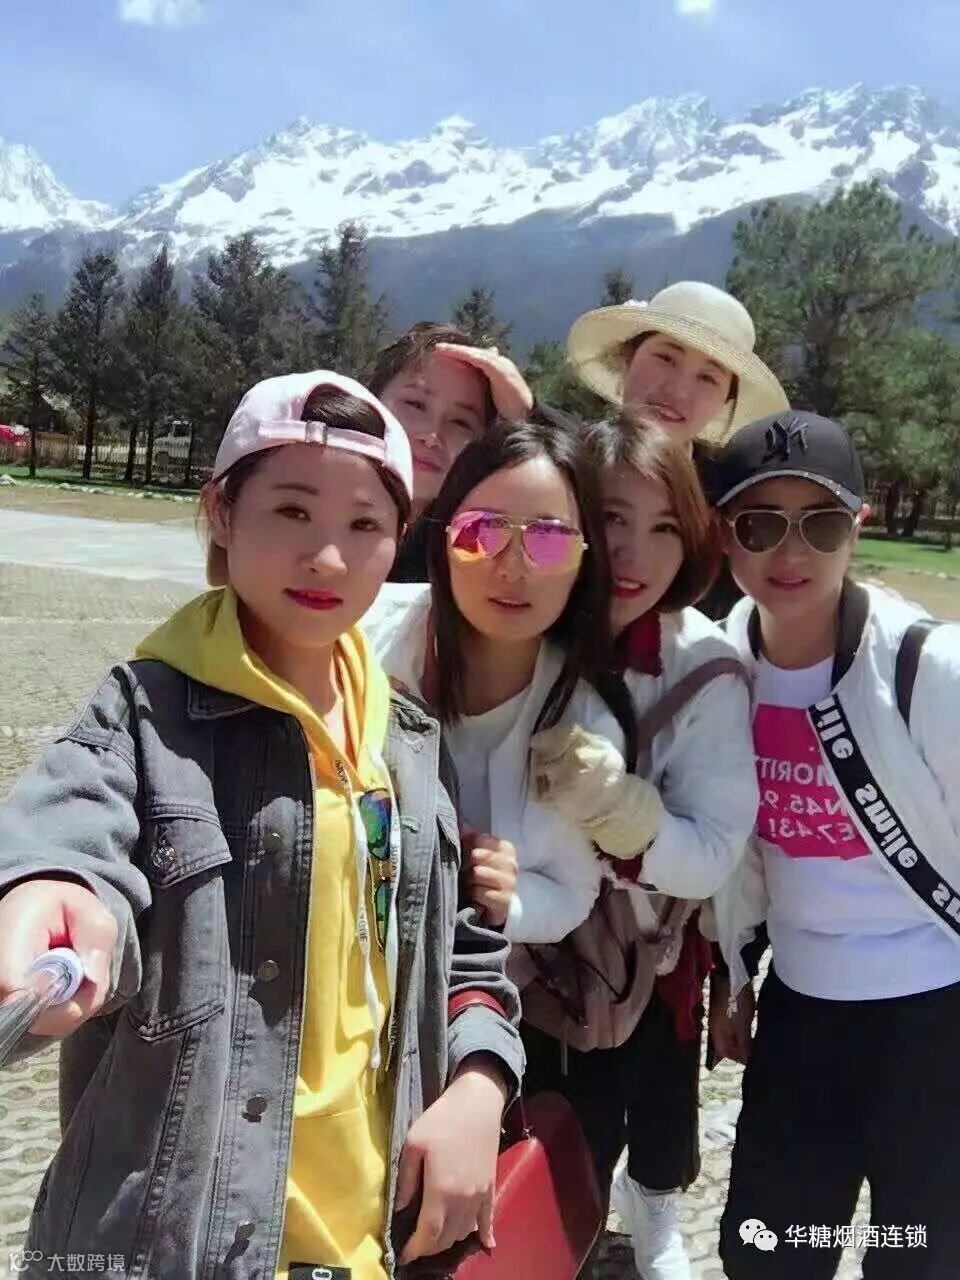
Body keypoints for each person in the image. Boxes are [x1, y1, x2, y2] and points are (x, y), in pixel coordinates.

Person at [0, 371, 523, 1280]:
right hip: (175, 1243)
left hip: (371, 1239)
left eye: (363, 525)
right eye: (290, 510)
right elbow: (71, 831)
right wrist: (53, 892)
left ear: (400, 538)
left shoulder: (405, 737)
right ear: (221, 512)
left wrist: (480, 1085)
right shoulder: (144, 714)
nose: (327, 557)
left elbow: (463, 954)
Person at [707, 410, 960, 1280]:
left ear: (857, 527)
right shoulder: (721, 666)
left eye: (819, 524)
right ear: (724, 536)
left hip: (934, 1013)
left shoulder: (929, 668)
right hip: (802, 1010)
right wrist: (736, 974)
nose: (791, 552)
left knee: (920, 1254)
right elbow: (740, 846)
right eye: (760, 525)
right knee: (770, 1249)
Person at [519, 418, 758, 1280]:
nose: (635, 553)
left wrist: (615, 810)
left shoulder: (703, 664)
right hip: (503, 948)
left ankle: (644, 1211)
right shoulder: (508, 623)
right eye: (612, 518)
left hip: (643, 950)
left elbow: (712, 851)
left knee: (647, 1097)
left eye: (665, 528)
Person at [361, 411, 641, 946]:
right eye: (481, 532)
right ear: (443, 536)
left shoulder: (586, 725)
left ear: (585, 560)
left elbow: (572, 891)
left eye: (550, 540)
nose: (513, 568)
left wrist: (510, 899)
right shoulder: (362, 635)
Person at [367, 322, 534, 583]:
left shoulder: (467, 552)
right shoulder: (306, 497)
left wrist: (525, 418)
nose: (432, 436)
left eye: (460, 422)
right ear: (369, 402)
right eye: (415, 404)